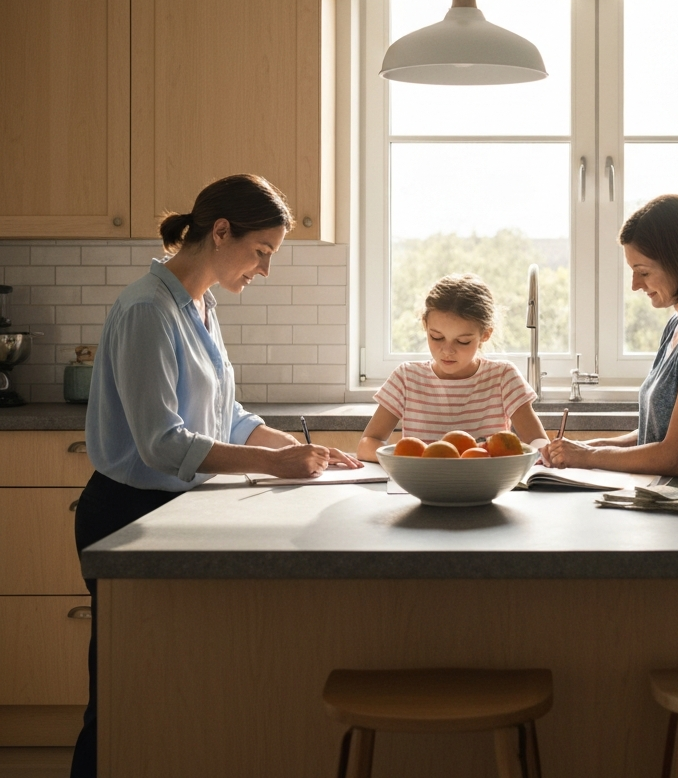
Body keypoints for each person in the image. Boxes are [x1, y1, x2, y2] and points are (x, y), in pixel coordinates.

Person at [70, 174, 359, 778]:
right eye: (262, 252)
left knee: (174, 690)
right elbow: (161, 441)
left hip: (176, 512)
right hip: (129, 515)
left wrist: (308, 451)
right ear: (221, 232)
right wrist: (275, 464)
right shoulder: (147, 309)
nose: (265, 269)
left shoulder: (199, 302)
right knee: (123, 691)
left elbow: (225, 414)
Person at [540, 194, 678, 476]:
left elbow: (674, 457)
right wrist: (589, 446)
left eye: (643, 272)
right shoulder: (677, 326)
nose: (635, 285)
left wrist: (589, 455)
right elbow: (659, 433)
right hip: (673, 504)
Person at [357, 273, 548, 460]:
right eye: (437, 337)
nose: (447, 351)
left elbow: (537, 440)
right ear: (425, 325)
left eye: (463, 341)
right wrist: (408, 460)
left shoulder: (502, 376)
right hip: (421, 488)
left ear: (485, 335)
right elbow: (368, 442)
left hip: (486, 488)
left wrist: (547, 452)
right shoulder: (407, 377)